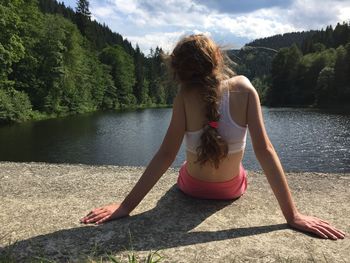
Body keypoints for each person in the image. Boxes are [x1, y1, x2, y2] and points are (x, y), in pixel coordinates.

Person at [80, 34, 345, 240]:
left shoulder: (183, 97)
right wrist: (293, 215)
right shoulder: (244, 88)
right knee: (241, 169)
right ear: (217, 57)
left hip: (191, 187)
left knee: (185, 166)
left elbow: (165, 156)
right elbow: (264, 151)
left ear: (178, 70)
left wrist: (126, 206)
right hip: (232, 190)